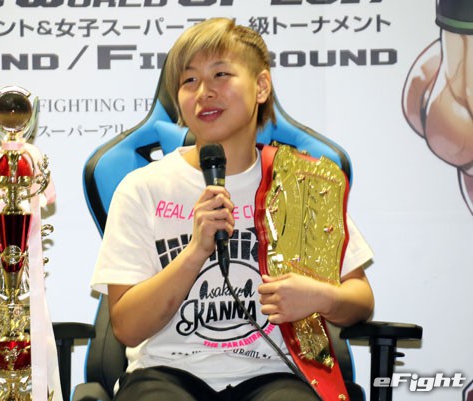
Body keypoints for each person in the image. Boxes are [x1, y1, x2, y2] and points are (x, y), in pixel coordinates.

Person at [90, 17, 375, 401]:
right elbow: (126, 327)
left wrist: (320, 297)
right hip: (165, 374)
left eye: (220, 74)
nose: (203, 92)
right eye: (189, 80)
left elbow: (361, 300)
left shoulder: (301, 183)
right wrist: (195, 252)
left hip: (275, 374)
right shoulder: (142, 187)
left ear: (261, 86)